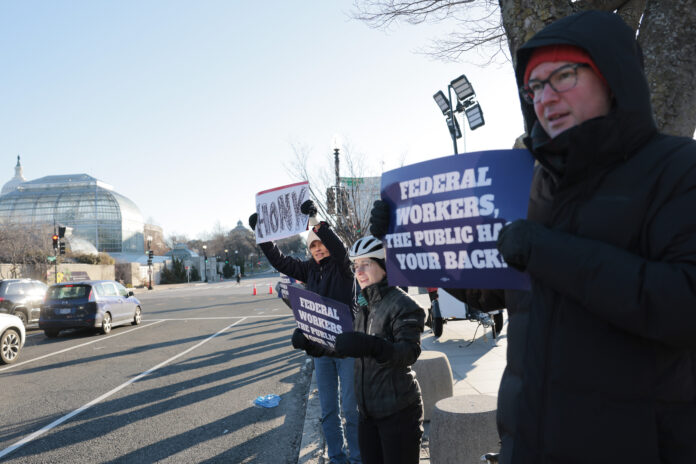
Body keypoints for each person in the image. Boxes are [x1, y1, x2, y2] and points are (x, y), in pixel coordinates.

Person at [372, 10, 696, 463]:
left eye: (563, 76)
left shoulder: (678, 168)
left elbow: (682, 306)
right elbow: (494, 291)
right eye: (534, 87)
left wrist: (547, 252)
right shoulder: (537, 183)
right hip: (528, 443)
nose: (545, 97)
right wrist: (414, 241)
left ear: (612, 75)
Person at [292, 235, 425, 464]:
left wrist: (373, 346)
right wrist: (315, 345)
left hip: (398, 412)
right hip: (368, 414)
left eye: (366, 264)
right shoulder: (364, 304)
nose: (359, 271)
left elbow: (408, 353)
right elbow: (348, 348)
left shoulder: (404, 304)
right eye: (356, 266)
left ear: (384, 266)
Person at [249, 200, 361, 464]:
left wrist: (314, 221)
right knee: (328, 411)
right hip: (321, 351)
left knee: (351, 410)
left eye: (320, 244)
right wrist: (263, 237)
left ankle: (357, 459)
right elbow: (281, 261)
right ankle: (337, 458)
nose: (318, 249)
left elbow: (338, 246)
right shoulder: (308, 269)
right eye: (312, 245)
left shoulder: (344, 267)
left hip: (347, 350)